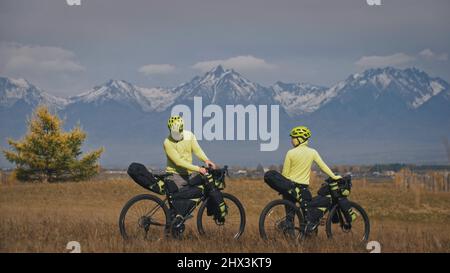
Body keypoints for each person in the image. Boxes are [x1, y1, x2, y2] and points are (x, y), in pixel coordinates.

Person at [264, 126, 342, 235]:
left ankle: (290, 240)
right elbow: (322, 166)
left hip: (290, 188)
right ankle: (306, 236)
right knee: (308, 217)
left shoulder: (290, 153)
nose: (291, 140)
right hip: (303, 189)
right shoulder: (312, 152)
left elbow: (285, 174)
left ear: (301, 139)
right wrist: (334, 176)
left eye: (293, 138)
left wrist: (284, 187)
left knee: (290, 216)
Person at [163, 115, 227, 226]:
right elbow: (178, 162)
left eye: (178, 133)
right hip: (175, 175)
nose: (176, 136)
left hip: (189, 174)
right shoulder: (167, 142)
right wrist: (198, 169)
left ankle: (209, 210)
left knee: (206, 184)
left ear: (182, 129)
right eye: (174, 134)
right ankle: (174, 224)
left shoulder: (189, 136)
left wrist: (206, 160)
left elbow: (197, 150)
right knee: (179, 205)